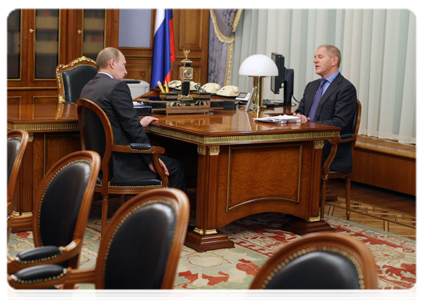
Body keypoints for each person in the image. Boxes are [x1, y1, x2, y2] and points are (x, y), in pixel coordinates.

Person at [80, 47, 185, 191]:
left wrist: (139, 124)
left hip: (99, 162)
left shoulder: (86, 87)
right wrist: (150, 159)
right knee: (176, 168)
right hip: (121, 163)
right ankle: (168, 213)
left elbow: (112, 125)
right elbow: (133, 129)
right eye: (123, 65)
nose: (125, 71)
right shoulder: (117, 87)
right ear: (112, 63)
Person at [293, 45, 357, 173]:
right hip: (307, 140)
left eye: (320, 57)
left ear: (334, 60)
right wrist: (298, 116)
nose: (315, 61)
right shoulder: (311, 86)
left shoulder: (345, 88)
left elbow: (340, 122)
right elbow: (300, 111)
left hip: (329, 144)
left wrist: (309, 124)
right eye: (315, 57)